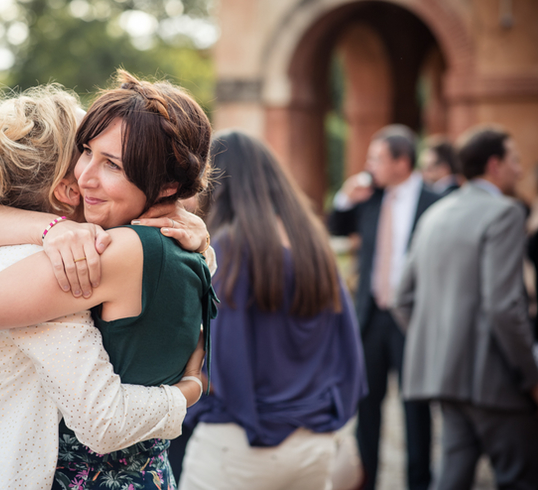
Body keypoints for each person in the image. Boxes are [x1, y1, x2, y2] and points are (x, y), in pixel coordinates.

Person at [0, 80, 210, 490]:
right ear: (64, 189)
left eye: (111, 163)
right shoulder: (60, 260)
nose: (88, 174)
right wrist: (192, 388)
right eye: (85, 152)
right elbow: (104, 420)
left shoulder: (28, 248)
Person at [177, 130, 367, 490]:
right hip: (313, 441)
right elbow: (349, 346)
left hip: (242, 440)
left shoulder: (230, 247)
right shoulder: (313, 242)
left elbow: (224, 354)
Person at [393, 125, 538, 490]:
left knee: (451, 479)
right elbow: (504, 306)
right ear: (495, 164)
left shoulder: (434, 214)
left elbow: (402, 298)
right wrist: (531, 375)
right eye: (515, 160)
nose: (519, 169)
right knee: (519, 478)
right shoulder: (505, 213)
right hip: (497, 380)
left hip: (445, 376)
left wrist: (442, 341)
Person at [328, 125, 439, 490]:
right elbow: (338, 227)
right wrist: (345, 197)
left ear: (402, 162)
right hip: (371, 318)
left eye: (377, 158)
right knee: (368, 407)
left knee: (415, 408)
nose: (368, 164)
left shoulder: (433, 201)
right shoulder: (369, 197)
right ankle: (367, 481)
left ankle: (419, 482)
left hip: (413, 320)